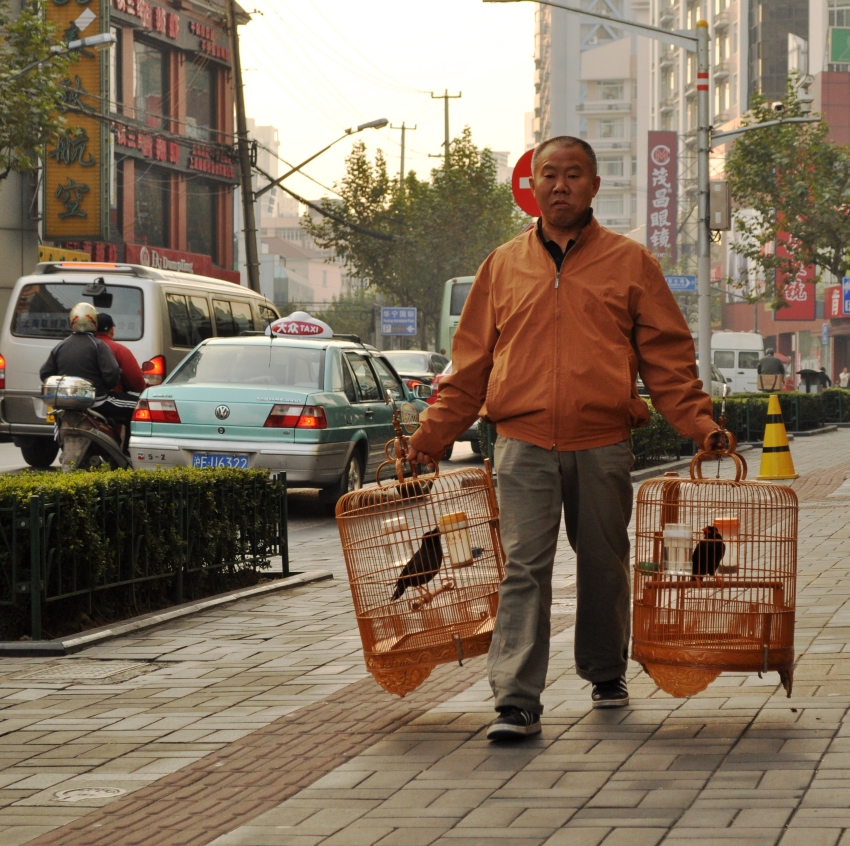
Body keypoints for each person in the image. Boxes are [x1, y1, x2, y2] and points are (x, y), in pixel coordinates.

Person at [407, 136, 721, 742]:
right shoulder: (502, 265)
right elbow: (469, 365)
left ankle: (605, 672)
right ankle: (517, 699)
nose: (560, 185)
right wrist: (432, 435)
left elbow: (668, 359)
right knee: (524, 566)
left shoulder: (631, 264)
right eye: (549, 175)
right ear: (534, 186)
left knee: (604, 562)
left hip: (603, 440)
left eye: (573, 175)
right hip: (521, 442)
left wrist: (700, 424)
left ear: (594, 185)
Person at [40, 303, 139, 449]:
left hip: (66, 404)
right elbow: (111, 375)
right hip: (98, 401)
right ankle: (129, 452)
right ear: (94, 322)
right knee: (140, 406)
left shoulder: (61, 346)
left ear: (71, 321)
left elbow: (45, 374)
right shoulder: (98, 345)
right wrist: (105, 387)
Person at [95, 313, 147, 395]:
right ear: (112, 330)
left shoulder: (83, 346)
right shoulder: (119, 350)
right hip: (109, 398)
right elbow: (137, 382)